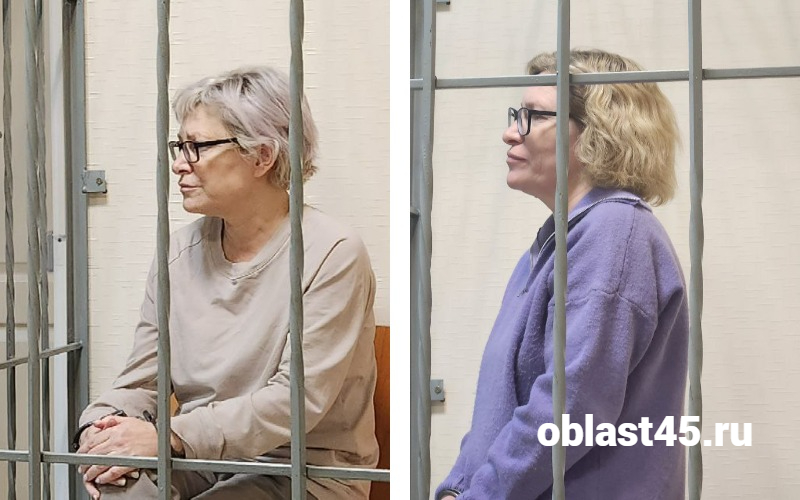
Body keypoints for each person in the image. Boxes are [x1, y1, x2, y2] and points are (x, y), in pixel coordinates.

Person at [74, 67, 379, 499]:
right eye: (179, 146)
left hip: (302, 469)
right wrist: (99, 430)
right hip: (199, 457)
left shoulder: (333, 252)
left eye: (196, 147)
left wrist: (168, 436)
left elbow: (295, 402)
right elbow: (141, 382)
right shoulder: (177, 253)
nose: (179, 163)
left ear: (262, 155)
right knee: (119, 485)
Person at [436, 49, 689, 499]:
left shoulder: (614, 233)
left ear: (598, 132)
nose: (510, 132)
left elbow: (568, 407)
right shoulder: (557, 242)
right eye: (517, 115)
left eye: (533, 116)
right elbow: (501, 410)